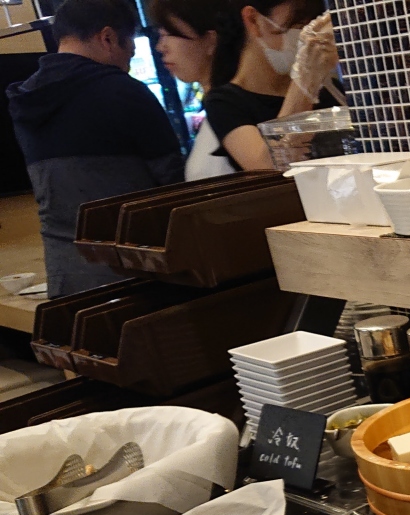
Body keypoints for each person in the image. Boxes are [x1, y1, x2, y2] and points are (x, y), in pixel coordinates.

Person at [7, 0, 184, 298]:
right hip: (137, 276)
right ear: (108, 38)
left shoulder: (25, 102)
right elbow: (176, 187)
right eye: (130, 51)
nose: (129, 62)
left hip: (65, 277)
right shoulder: (124, 91)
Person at [203, 0, 339, 171]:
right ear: (253, 21)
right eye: (298, 23)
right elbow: (266, 166)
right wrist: (306, 78)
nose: (308, 34)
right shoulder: (224, 103)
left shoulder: (329, 90)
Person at [151, 0, 236, 179]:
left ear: (211, 40)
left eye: (169, 34)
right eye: (160, 35)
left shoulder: (233, 111)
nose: (161, 47)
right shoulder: (217, 108)